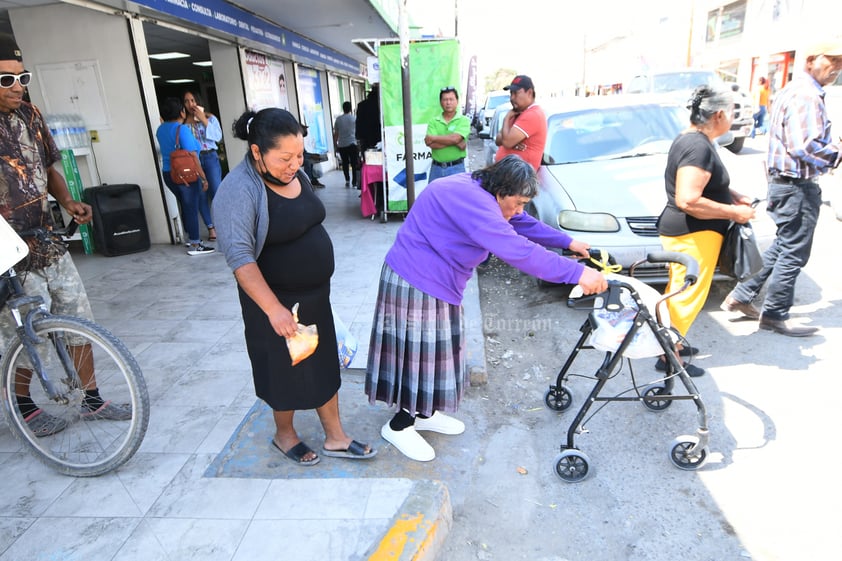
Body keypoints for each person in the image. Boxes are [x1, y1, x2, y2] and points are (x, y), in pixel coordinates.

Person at [366, 155, 607, 462]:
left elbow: (520, 221)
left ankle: (423, 412)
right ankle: (400, 425)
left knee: (438, 353)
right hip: (415, 279)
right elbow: (518, 250)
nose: (519, 210)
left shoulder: (487, 192)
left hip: (438, 281)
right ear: (500, 190)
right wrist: (578, 273)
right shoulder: (472, 201)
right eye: (518, 202)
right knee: (419, 355)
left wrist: (568, 242)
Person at [213, 107, 375, 466]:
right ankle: (284, 434)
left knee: (323, 363)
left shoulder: (295, 173)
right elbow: (240, 258)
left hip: (314, 296)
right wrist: (274, 310)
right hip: (274, 302)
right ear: (257, 152)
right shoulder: (237, 190)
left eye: (299, 154)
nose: (294, 163)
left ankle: (335, 436)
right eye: (285, 157)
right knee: (283, 369)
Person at [0, 34, 131, 436]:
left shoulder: (32, 115)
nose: (17, 86)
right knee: (20, 332)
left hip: (45, 236)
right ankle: (23, 407)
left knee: (77, 315)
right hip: (6, 248)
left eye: (21, 77)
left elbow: (49, 167)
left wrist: (68, 201)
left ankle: (91, 399)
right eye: (6, 80)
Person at [721, 39, 842, 337]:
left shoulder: (796, 89)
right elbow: (806, 145)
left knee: (783, 245)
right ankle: (775, 314)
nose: (837, 67)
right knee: (793, 252)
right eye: (833, 60)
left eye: (841, 62)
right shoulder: (807, 95)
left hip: (786, 184)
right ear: (812, 59)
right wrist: (837, 153)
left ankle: (741, 296)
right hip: (795, 186)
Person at [657, 85, 757, 377]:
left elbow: (706, 184)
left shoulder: (693, 140)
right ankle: (668, 356)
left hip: (689, 233)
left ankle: (670, 342)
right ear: (720, 114)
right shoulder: (697, 146)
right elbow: (688, 199)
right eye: (733, 114)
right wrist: (734, 212)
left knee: (678, 292)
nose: (733, 120)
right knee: (685, 296)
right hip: (692, 234)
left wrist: (731, 194)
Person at [155, 97, 214, 255]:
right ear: (181, 112)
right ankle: (195, 244)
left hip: (169, 173)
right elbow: (193, 156)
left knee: (185, 205)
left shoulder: (160, 129)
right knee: (191, 207)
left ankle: (191, 238)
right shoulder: (181, 129)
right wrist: (203, 177)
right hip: (185, 175)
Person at [182, 90, 223, 242]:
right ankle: (211, 228)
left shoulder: (210, 118)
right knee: (200, 194)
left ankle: (223, 225)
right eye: (186, 101)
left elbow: (218, 137)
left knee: (217, 192)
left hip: (210, 156)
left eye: (192, 100)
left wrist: (203, 119)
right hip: (194, 160)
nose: (190, 104)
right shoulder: (184, 123)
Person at [495, 75, 547, 171]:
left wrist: (506, 119)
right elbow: (498, 140)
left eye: (516, 93)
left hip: (518, 180)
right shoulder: (517, 113)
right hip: (506, 176)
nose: (512, 98)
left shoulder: (532, 114)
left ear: (529, 93)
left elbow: (506, 142)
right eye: (511, 93)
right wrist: (512, 141)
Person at [424, 86, 471, 182]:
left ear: (457, 101)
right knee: (435, 196)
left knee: (457, 197)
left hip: (456, 168)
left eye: (451, 99)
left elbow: (456, 138)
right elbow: (431, 143)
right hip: (436, 168)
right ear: (441, 102)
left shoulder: (463, 120)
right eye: (445, 99)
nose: (448, 102)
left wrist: (434, 138)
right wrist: (454, 141)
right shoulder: (434, 121)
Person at [333, 101, 359, 188]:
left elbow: (336, 133)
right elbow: (357, 133)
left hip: (342, 145)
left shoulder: (338, 119)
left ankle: (347, 180)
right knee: (354, 163)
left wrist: (335, 144)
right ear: (350, 109)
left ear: (343, 108)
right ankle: (354, 182)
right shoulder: (354, 118)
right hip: (352, 143)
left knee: (345, 163)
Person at [356, 84, 381, 153]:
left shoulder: (361, 105)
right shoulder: (381, 105)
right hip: (379, 135)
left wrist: (358, 136)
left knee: (368, 157)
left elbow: (358, 122)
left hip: (365, 138)